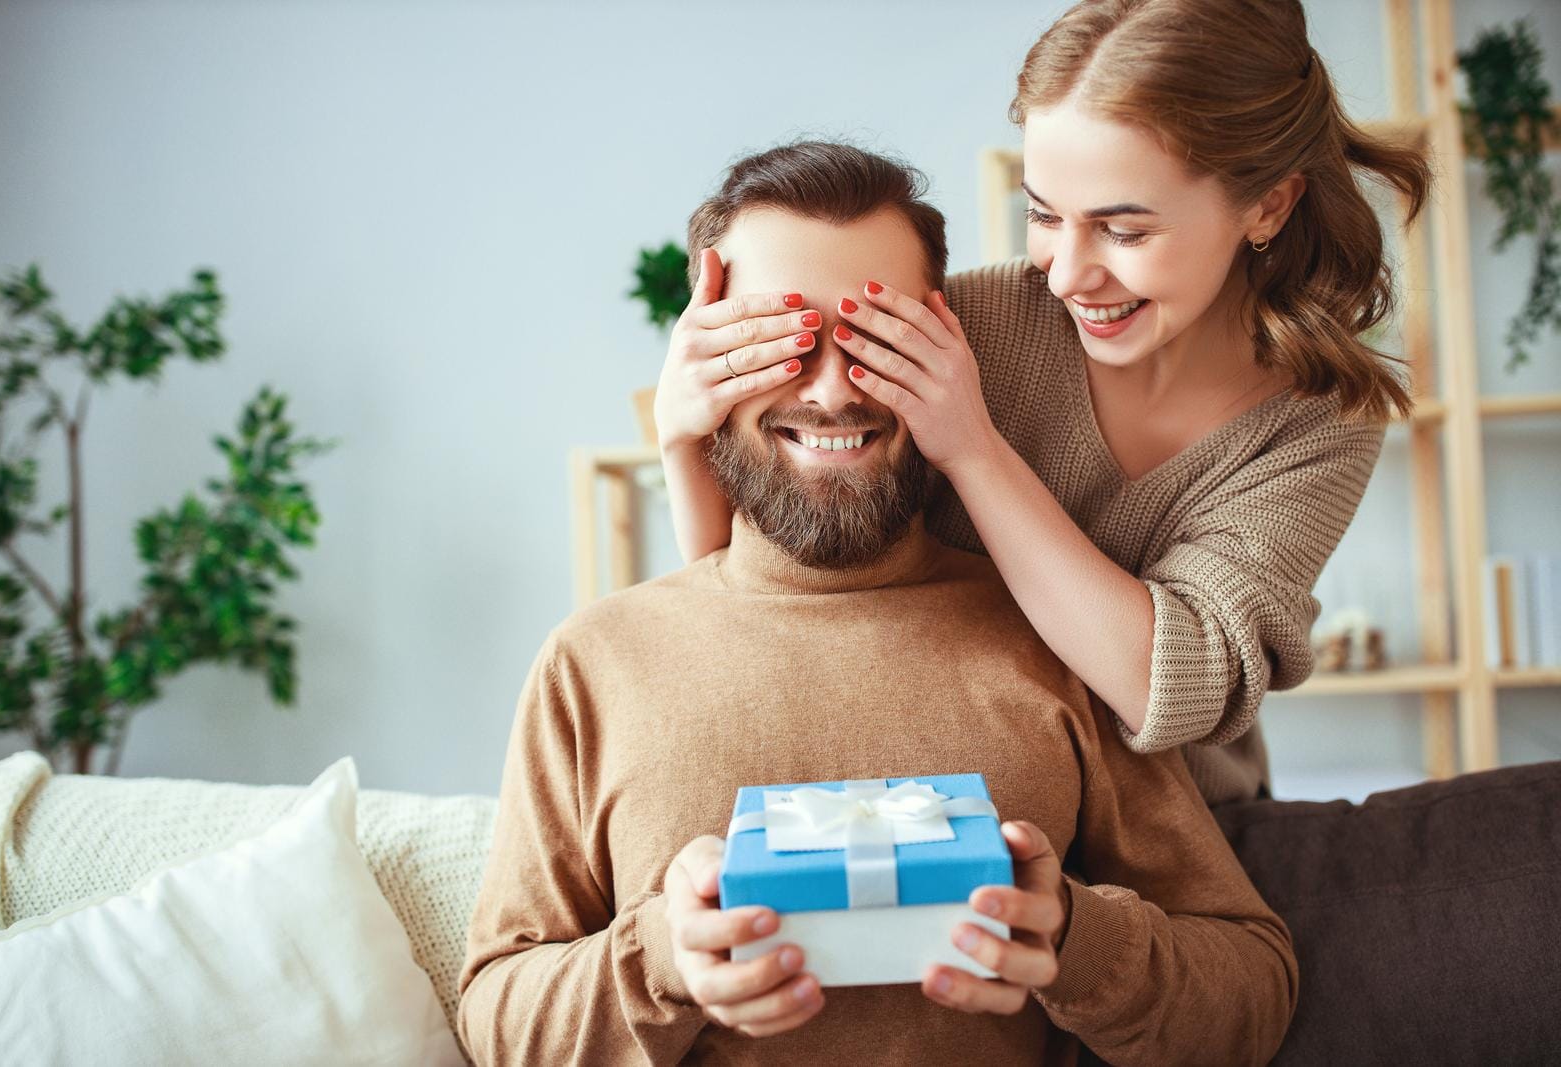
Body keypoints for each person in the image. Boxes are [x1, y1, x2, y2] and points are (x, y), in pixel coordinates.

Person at [457, 143, 1296, 1066]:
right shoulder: (595, 663)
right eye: (777, 340)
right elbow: (497, 1018)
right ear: (706, 359)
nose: (828, 390)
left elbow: (1250, 991)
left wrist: (1072, 937)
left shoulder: (1060, 640)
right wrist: (663, 957)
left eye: (874, 338)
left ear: (946, 350)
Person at [654, 0, 1432, 806]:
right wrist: (684, 440)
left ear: (1268, 204)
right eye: (1044, 215)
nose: (1066, 275)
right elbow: (767, 593)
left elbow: (1179, 687)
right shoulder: (968, 326)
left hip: (1187, 830)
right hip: (960, 804)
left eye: (1123, 231)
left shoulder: (1317, 418)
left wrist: (975, 449)